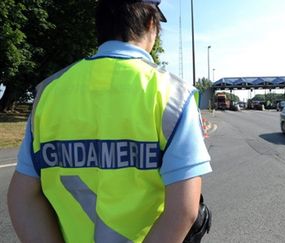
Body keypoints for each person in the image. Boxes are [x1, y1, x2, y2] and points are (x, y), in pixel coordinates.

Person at [7, 0, 212, 242]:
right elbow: (183, 210)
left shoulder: (50, 91)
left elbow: (22, 198)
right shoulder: (173, 95)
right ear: (150, 23)